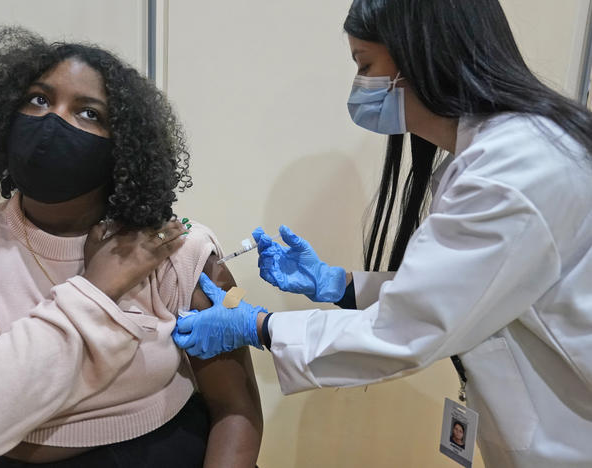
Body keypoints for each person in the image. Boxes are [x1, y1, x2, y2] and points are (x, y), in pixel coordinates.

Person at [172, 0, 592, 466]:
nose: (360, 87)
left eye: (365, 65)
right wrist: (340, 285)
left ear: (420, 55)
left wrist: (258, 326)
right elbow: (462, 290)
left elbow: (407, 330)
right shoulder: (500, 155)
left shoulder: (512, 172)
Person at [0, 26, 262, 468]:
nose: (54, 121)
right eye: (39, 99)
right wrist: (96, 288)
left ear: (125, 148)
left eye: (89, 113)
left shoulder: (175, 249)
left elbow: (236, 411)